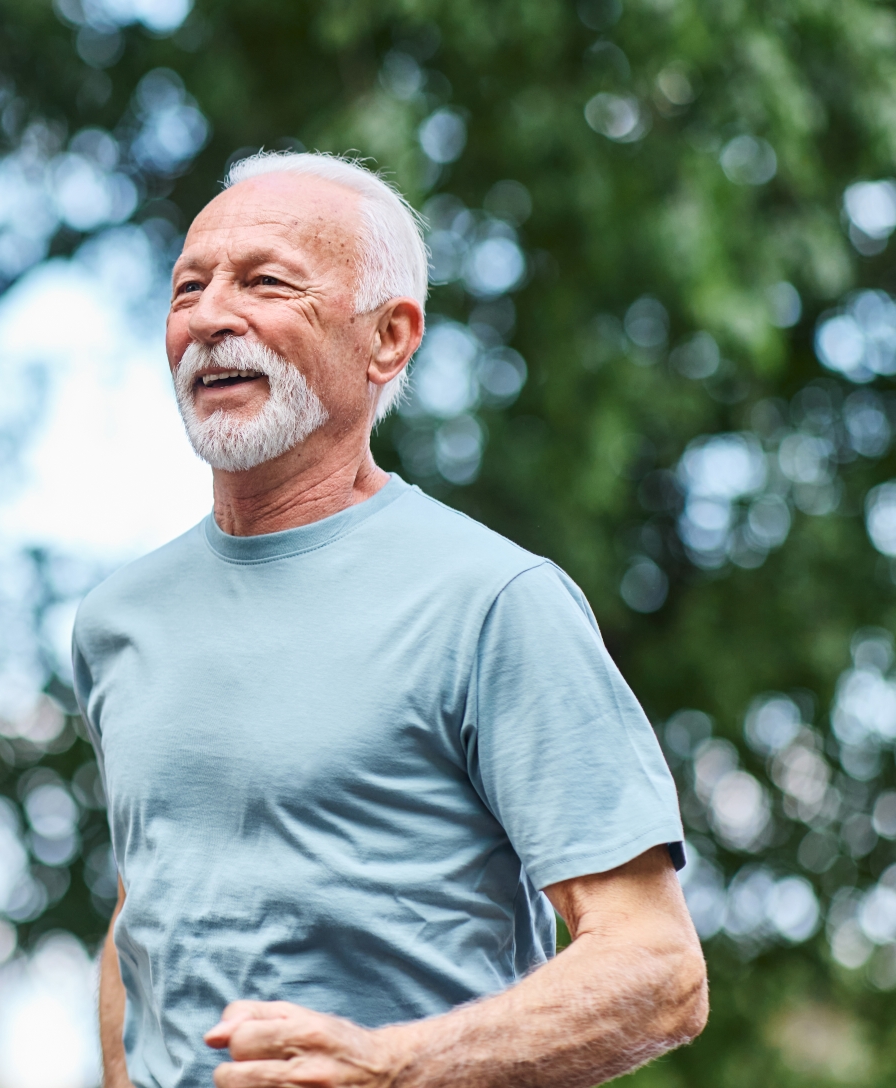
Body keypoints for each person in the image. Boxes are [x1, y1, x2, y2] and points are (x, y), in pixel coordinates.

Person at [71, 151, 707, 1088]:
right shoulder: (117, 619)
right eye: (188, 289)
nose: (208, 317)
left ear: (389, 339)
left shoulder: (494, 602)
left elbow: (660, 970)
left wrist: (393, 1066)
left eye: (266, 282)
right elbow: (146, 914)